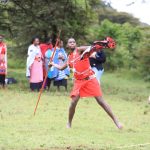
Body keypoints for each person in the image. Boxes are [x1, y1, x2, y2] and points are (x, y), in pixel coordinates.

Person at [50, 38, 123, 129]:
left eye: (74, 42)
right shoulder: (69, 57)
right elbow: (61, 67)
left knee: (101, 101)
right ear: (67, 45)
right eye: (70, 42)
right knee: (73, 102)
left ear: (76, 44)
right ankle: (69, 123)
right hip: (79, 82)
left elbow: (90, 48)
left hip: (90, 79)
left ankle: (117, 122)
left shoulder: (79, 50)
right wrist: (52, 64)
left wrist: (101, 45)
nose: (72, 43)